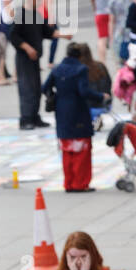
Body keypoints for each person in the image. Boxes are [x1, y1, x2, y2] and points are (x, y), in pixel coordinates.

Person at [42, 44, 109, 192]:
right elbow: (83, 91)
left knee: (67, 149)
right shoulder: (81, 69)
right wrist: (100, 96)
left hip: (61, 111)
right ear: (79, 56)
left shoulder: (57, 69)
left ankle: (69, 183)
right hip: (78, 112)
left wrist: (53, 97)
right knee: (82, 149)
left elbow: (45, 87)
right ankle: (80, 183)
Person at [10, 0, 69, 130]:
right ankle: (26, 119)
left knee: (36, 88)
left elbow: (47, 32)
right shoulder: (20, 14)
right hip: (24, 58)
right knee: (27, 88)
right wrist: (27, 47)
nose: (42, 2)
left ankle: (35, 117)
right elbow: (13, 36)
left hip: (35, 58)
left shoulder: (36, 15)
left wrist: (63, 34)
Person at [110, 0, 135, 64]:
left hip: (132, 34)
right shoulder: (113, 1)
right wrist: (111, 37)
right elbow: (111, 20)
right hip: (119, 35)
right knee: (120, 62)